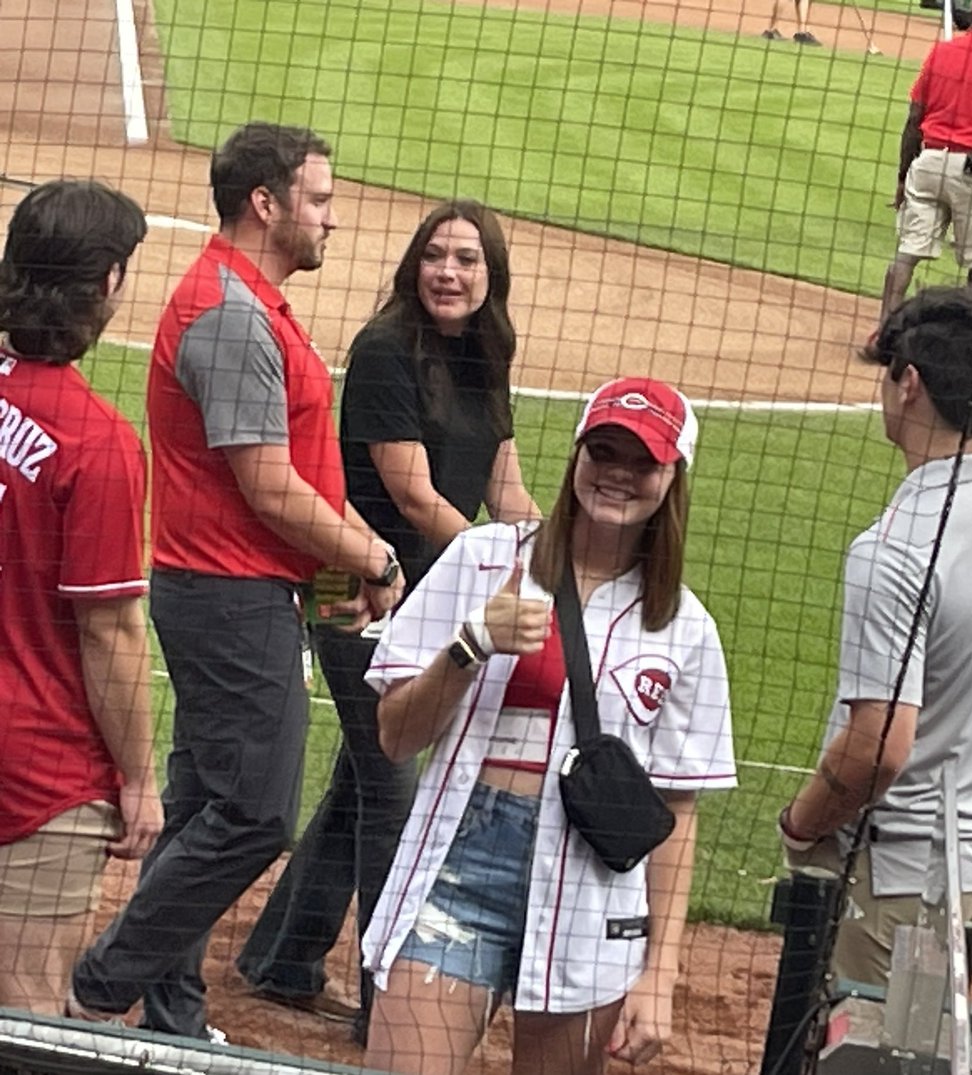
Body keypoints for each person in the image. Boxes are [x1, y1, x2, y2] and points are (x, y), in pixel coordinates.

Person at [68, 121, 405, 1039]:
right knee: (256, 815)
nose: (332, 221)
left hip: (242, 589)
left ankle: (172, 1015)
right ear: (267, 202)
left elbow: (287, 476)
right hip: (229, 596)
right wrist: (372, 555)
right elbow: (266, 484)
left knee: (203, 808)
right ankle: (101, 985)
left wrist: (344, 562)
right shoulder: (228, 312)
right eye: (321, 200)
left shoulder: (250, 300)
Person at [360, 377, 738, 1075]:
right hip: (458, 869)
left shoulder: (684, 629)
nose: (617, 473)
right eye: (603, 450)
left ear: (672, 478)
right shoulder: (483, 561)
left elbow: (677, 812)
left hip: (593, 892)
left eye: (642, 460)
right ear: (575, 457)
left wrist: (659, 973)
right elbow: (394, 733)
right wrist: (471, 644)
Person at [237, 199, 540, 1035]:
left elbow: (504, 485)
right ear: (413, 267)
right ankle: (386, 1003)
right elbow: (413, 493)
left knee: (362, 779)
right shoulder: (383, 352)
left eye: (467, 260)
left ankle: (280, 956)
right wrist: (501, 565)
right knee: (394, 788)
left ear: (491, 276)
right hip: (354, 579)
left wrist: (548, 552)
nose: (449, 272)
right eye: (435, 256)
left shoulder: (487, 354)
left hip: (430, 587)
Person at [778, 287, 972, 985]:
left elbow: (876, 749)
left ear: (908, 382)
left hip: (901, 891)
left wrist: (799, 823)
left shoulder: (894, 548)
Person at [0, 180, 162, 1015]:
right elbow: (111, 635)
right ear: (105, 284)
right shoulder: (95, 442)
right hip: (41, 774)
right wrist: (137, 777)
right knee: (25, 1012)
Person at [878, 0, 972, 328]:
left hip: (928, 163)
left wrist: (903, 176)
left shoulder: (941, 52)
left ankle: (884, 333)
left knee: (907, 253)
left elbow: (914, 118)